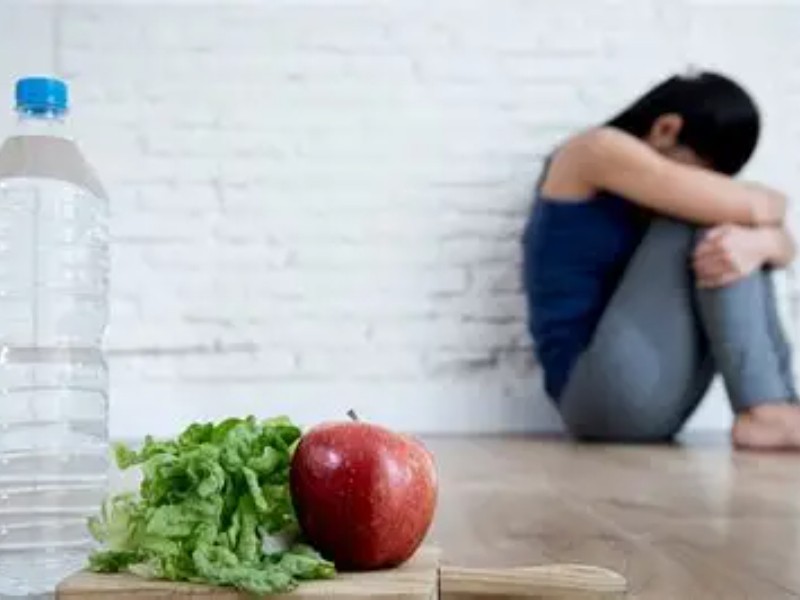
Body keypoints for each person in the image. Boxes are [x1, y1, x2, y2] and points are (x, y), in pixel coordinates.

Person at [523, 71, 800, 450]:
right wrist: (766, 228)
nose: (703, 186)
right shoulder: (593, 151)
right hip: (597, 395)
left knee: (736, 236)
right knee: (720, 220)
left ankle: (780, 406)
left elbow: (776, 232)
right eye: (702, 173)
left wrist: (764, 243)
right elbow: (755, 207)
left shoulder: (650, 184)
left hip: (656, 396)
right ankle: (765, 410)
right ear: (666, 128)